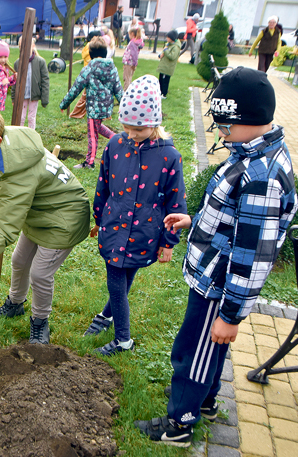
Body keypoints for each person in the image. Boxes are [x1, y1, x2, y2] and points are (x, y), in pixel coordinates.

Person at [134, 67, 297, 447]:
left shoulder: (261, 177)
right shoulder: (253, 151)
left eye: (226, 125)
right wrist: (197, 220)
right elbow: (239, 221)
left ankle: (180, 424)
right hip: (214, 274)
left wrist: (230, 314)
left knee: (192, 353)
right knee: (210, 349)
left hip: (219, 286)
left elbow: (252, 253)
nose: (220, 132)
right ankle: (205, 402)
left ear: (252, 119)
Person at [0, 103, 90, 344]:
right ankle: (15, 304)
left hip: (63, 220)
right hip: (40, 211)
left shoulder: (18, 173)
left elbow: (8, 225)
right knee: (19, 260)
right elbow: (12, 187)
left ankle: (40, 322)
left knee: (39, 274)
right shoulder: (9, 142)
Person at [85, 75, 186, 356]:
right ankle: (108, 318)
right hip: (115, 226)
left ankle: (123, 340)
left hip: (144, 232)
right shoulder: (116, 145)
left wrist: (168, 241)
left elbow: (177, 203)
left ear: (153, 123)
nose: (130, 134)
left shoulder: (169, 156)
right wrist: (99, 219)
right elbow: (102, 185)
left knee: (124, 277)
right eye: (126, 128)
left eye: (137, 130)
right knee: (118, 278)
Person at [59, 39, 123, 169]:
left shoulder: (89, 69)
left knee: (92, 135)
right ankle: (118, 139)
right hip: (106, 107)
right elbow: (118, 89)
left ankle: (89, 162)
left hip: (94, 108)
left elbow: (76, 88)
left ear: (90, 54)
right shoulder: (112, 68)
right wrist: (125, 105)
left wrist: (64, 104)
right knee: (97, 127)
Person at [11, 37, 49, 130]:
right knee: (21, 117)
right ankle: (19, 134)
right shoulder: (17, 63)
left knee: (31, 117)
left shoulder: (40, 62)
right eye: (21, 46)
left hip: (34, 95)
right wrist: (13, 97)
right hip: (22, 95)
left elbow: (45, 80)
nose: (24, 48)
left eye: (27, 45)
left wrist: (45, 98)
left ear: (33, 46)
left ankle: (31, 135)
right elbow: (14, 81)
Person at [70, 30, 103, 119]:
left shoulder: (91, 45)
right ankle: (76, 114)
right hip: (91, 74)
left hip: (94, 73)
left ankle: (103, 116)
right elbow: (89, 57)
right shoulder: (91, 46)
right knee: (86, 96)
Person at [158, 30, 180, 99]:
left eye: (168, 37)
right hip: (164, 66)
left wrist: (166, 51)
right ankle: (159, 92)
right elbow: (164, 50)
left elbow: (172, 56)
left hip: (168, 67)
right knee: (160, 80)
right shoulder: (168, 44)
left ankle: (164, 94)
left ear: (172, 38)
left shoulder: (175, 47)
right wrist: (161, 54)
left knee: (165, 81)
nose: (166, 38)